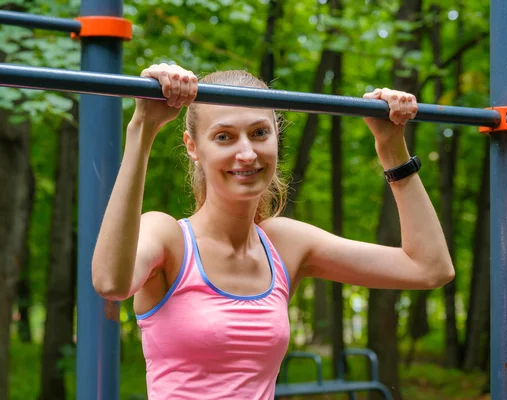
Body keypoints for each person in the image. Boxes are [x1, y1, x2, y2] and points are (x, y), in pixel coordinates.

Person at [91, 63, 454, 399]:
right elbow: (111, 282)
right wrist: (143, 128)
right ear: (193, 148)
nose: (247, 153)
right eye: (224, 137)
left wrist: (392, 150)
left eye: (260, 132)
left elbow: (429, 268)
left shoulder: (284, 245)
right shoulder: (168, 238)